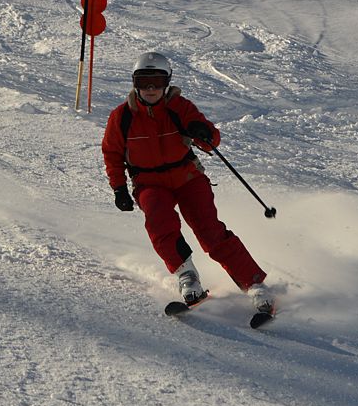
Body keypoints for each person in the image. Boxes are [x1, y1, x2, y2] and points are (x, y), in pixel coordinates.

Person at [101, 52, 274, 314]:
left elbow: (210, 140)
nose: (150, 89)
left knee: (209, 230)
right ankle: (187, 277)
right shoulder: (122, 117)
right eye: (144, 81)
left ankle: (255, 284)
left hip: (187, 176)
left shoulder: (179, 108)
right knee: (160, 223)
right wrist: (119, 188)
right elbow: (112, 154)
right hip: (149, 182)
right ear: (134, 83)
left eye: (157, 82)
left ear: (167, 82)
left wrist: (203, 134)